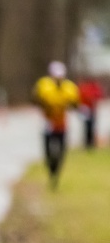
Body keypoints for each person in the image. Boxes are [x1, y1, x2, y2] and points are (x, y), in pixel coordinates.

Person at [32, 61, 79, 189]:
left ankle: (56, 173)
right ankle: (51, 169)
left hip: (61, 123)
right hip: (48, 122)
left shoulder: (69, 87)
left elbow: (75, 104)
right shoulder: (43, 85)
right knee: (48, 150)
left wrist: (71, 103)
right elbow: (36, 99)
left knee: (62, 151)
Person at [78, 76, 103, 150]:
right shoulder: (83, 87)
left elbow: (98, 95)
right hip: (85, 109)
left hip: (92, 109)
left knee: (92, 126)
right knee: (87, 126)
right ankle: (87, 143)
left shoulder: (93, 87)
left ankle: (91, 142)